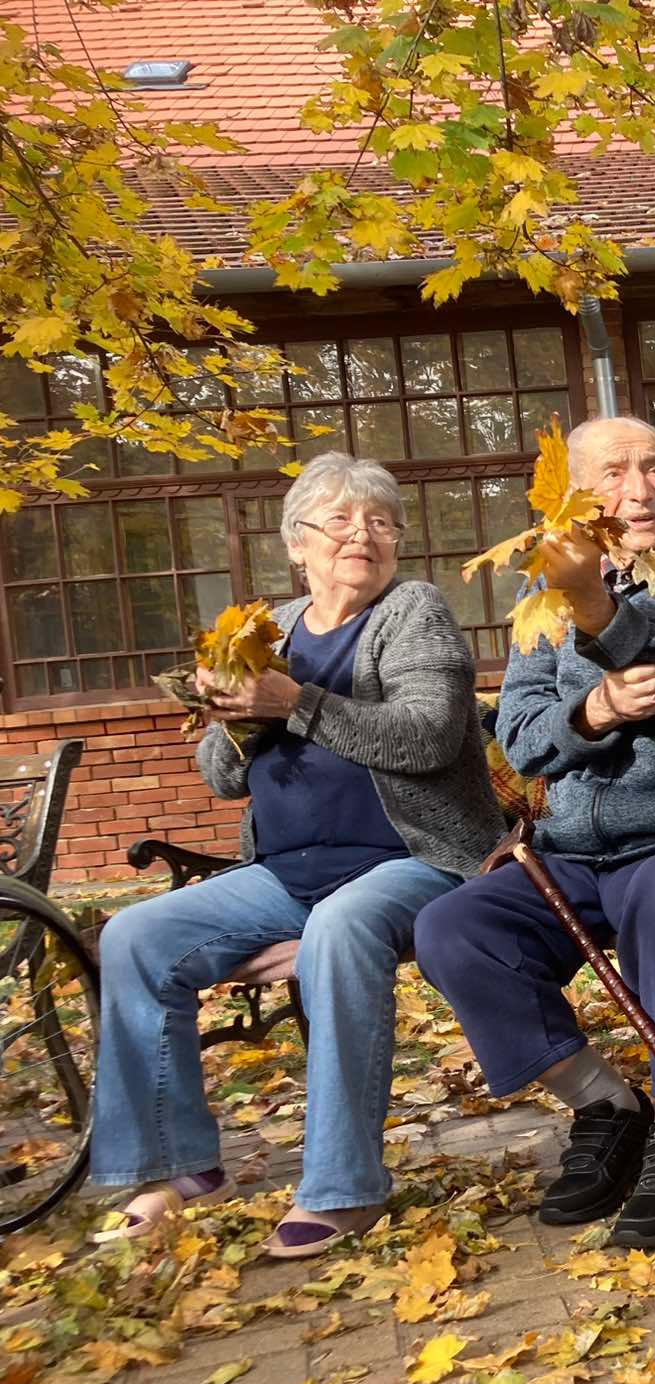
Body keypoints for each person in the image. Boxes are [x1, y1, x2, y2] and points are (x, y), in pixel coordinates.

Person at [88, 452, 503, 1258]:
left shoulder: (412, 610)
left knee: (341, 929)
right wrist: (232, 714)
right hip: (286, 872)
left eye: (381, 521)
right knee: (133, 939)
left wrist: (296, 703)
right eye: (342, 520)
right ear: (297, 545)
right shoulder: (265, 631)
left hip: (414, 858)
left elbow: (428, 737)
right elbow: (220, 781)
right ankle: (175, 1165)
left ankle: (343, 1187)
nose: (364, 535)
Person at [412, 415, 655, 1251]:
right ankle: (604, 1104)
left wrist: (599, 610)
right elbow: (520, 732)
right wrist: (594, 708)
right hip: (579, 849)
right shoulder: (534, 601)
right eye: (616, 473)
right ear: (578, 498)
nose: (641, 489)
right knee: (453, 927)